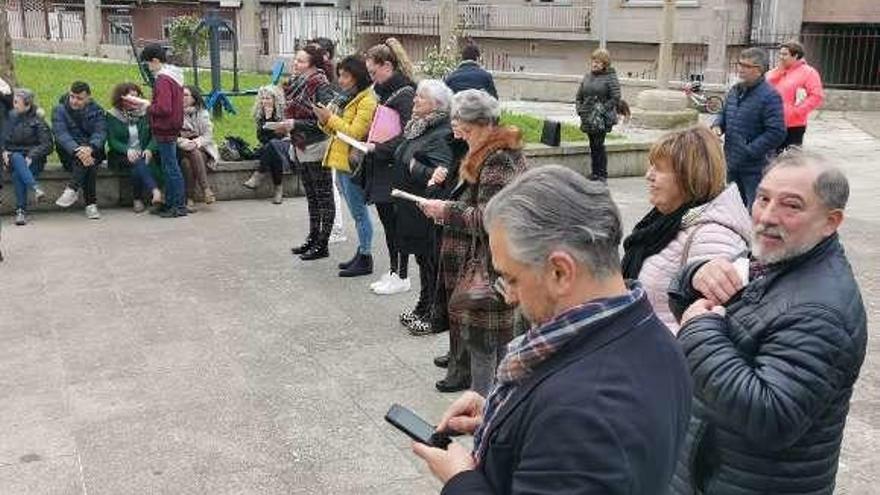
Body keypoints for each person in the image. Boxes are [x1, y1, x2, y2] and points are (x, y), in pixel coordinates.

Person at [412, 165, 693, 494]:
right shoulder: (654, 336)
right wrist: (504, 420)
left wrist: (461, 481)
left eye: (512, 278)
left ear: (560, 271)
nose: (510, 295)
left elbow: (573, 428)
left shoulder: (578, 414)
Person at [667, 148, 866, 495]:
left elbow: (771, 417)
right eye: (762, 198)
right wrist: (697, 276)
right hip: (712, 472)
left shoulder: (822, 311)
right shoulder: (776, 257)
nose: (766, 216)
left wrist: (698, 331)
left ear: (831, 222)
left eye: (792, 205)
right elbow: (693, 303)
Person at [419, 89, 528, 395]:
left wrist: (447, 211)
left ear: (485, 125)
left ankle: (484, 418)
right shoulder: (490, 152)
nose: (463, 137)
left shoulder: (497, 160)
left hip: (487, 268)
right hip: (485, 264)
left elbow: (490, 218)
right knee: (492, 348)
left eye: (466, 130)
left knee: (486, 348)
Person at [621, 126, 750, 334]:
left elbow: (709, 327)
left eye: (659, 169)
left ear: (689, 176)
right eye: (650, 166)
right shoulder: (664, 220)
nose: (648, 176)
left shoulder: (713, 236)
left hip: (664, 357)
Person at [392, 79, 454, 330]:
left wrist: (415, 168)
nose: (414, 100)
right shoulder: (418, 126)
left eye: (421, 98)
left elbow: (441, 175)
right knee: (422, 261)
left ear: (436, 105)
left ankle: (435, 315)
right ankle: (423, 304)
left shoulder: (441, 133)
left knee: (431, 263)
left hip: (426, 210)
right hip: (411, 207)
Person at [361, 38, 417, 294]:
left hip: (393, 167)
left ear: (387, 66)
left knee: (397, 225)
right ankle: (395, 269)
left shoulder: (403, 94)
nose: (372, 78)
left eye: (374, 72)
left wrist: (378, 148)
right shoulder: (389, 92)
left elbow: (408, 133)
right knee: (388, 223)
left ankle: (402, 274)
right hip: (383, 165)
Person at [314, 54, 378, 278]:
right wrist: (324, 119)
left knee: (360, 213)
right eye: (339, 75)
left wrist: (330, 118)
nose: (340, 80)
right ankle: (361, 252)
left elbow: (354, 133)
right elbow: (335, 131)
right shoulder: (348, 98)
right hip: (340, 161)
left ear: (357, 77)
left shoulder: (367, 100)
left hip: (352, 163)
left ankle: (366, 256)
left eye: (345, 76)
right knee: (355, 212)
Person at [712, 47, 785, 207]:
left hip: (755, 168)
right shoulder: (735, 90)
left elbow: (777, 132)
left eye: (746, 66)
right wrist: (717, 126)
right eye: (740, 64)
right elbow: (724, 113)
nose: (741, 69)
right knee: (732, 208)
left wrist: (749, 151)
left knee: (754, 209)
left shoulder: (770, 96)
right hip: (731, 163)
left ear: (759, 70)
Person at [285, 44, 335, 261]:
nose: (296, 64)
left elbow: (322, 121)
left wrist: (294, 122)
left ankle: (323, 243)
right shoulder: (297, 82)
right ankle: (313, 237)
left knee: (323, 196)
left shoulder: (320, 84)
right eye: (296, 60)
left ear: (313, 64)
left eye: (301, 61)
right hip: (300, 143)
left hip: (316, 144)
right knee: (312, 196)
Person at [126, 43, 187, 218]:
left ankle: (177, 205)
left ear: (155, 61)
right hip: (172, 128)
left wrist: (146, 105)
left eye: (147, 64)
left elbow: (164, 108)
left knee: (171, 168)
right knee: (171, 166)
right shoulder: (173, 77)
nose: (147, 68)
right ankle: (172, 203)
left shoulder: (162, 80)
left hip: (165, 129)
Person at [52, 81, 107, 219]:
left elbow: (100, 133)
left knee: (89, 161)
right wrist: (78, 150)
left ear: (88, 98)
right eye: (72, 97)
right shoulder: (59, 110)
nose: (74, 101)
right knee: (87, 161)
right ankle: (91, 205)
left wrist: (89, 148)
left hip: (92, 150)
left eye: (79, 98)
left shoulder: (97, 111)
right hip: (69, 153)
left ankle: (72, 189)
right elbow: (61, 134)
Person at [106, 82, 162, 213]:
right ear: (121, 98)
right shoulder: (112, 115)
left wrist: (149, 148)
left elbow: (156, 135)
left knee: (139, 163)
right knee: (136, 161)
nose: (135, 101)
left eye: (137, 97)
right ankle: (155, 192)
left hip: (143, 152)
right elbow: (112, 140)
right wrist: (127, 150)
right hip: (120, 155)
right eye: (131, 97)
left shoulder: (146, 113)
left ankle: (138, 199)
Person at [1, 88, 51, 226]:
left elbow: (47, 145)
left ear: (27, 104)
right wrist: (3, 151)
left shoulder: (38, 120)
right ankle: (36, 188)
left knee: (18, 174)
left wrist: (31, 155)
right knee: (17, 157)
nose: (14, 104)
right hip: (12, 156)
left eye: (17, 102)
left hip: (33, 159)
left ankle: (21, 211)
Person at [766, 39, 825, 152]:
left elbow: (816, 96)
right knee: (769, 158)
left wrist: (796, 112)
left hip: (793, 125)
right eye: (780, 54)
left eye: (785, 54)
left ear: (796, 55)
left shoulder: (808, 72)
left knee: (791, 160)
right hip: (772, 122)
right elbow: (764, 86)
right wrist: (778, 73)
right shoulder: (776, 71)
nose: (781, 57)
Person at [575, 48, 621, 183]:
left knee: (598, 144)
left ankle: (601, 174)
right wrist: (580, 109)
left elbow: (615, 97)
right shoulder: (587, 76)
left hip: (602, 118)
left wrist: (601, 109)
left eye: (599, 62)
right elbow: (579, 96)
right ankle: (595, 173)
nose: (595, 64)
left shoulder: (610, 77)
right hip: (588, 116)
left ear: (605, 64)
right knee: (592, 144)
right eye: (594, 61)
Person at [244, 85, 289, 204]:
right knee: (272, 149)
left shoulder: (283, 114)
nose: (265, 101)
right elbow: (261, 138)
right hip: (269, 147)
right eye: (263, 98)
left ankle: (259, 174)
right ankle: (278, 189)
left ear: (275, 100)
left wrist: (271, 120)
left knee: (274, 147)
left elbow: (281, 137)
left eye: (268, 98)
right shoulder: (261, 115)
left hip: (285, 145)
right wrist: (267, 119)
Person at [178, 85, 219, 210]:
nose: (182, 97)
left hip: (201, 148)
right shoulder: (174, 112)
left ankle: (189, 198)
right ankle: (206, 189)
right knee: (186, 158)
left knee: (187, 162)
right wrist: (183, 142)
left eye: (186, 95)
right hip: (181, 148)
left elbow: (208, 135)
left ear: (194, 98)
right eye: (181, 94)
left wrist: (196, 142)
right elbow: (171, 135)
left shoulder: (202, 113)